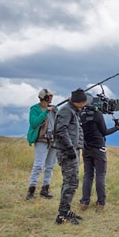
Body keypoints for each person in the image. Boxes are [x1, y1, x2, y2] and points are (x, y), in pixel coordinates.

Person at [79, 95, 119, 211]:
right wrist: (116, 127)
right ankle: (101, 203)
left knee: (88, 175)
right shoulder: (97, 114)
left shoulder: (80, 114)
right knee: (100, 175)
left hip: (86, 148)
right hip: (98, 148)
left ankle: (84, 202)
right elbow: (104, 131)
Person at [53, 88, 87, 225]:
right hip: (67, 152)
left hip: (71, 150)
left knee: (69, 182)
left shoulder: (72, 110)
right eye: (83, 102)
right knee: (71, 182)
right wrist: (70, 148)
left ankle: (65, 210)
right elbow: (61, 130)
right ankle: (62, 215)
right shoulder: (66, 111)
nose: (84, 105)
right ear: (79, 102)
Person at [25, 89, 58, 200]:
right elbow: (34, 123)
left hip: (54, 140)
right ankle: (31, 189)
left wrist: (55, 111)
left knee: (50, 166)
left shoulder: (54, 108)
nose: (52, 98)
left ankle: (45, 189)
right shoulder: (34, 109)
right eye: (50, 96)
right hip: (41, 140)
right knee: (38, 165)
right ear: (45, 97)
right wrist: (46, 112)